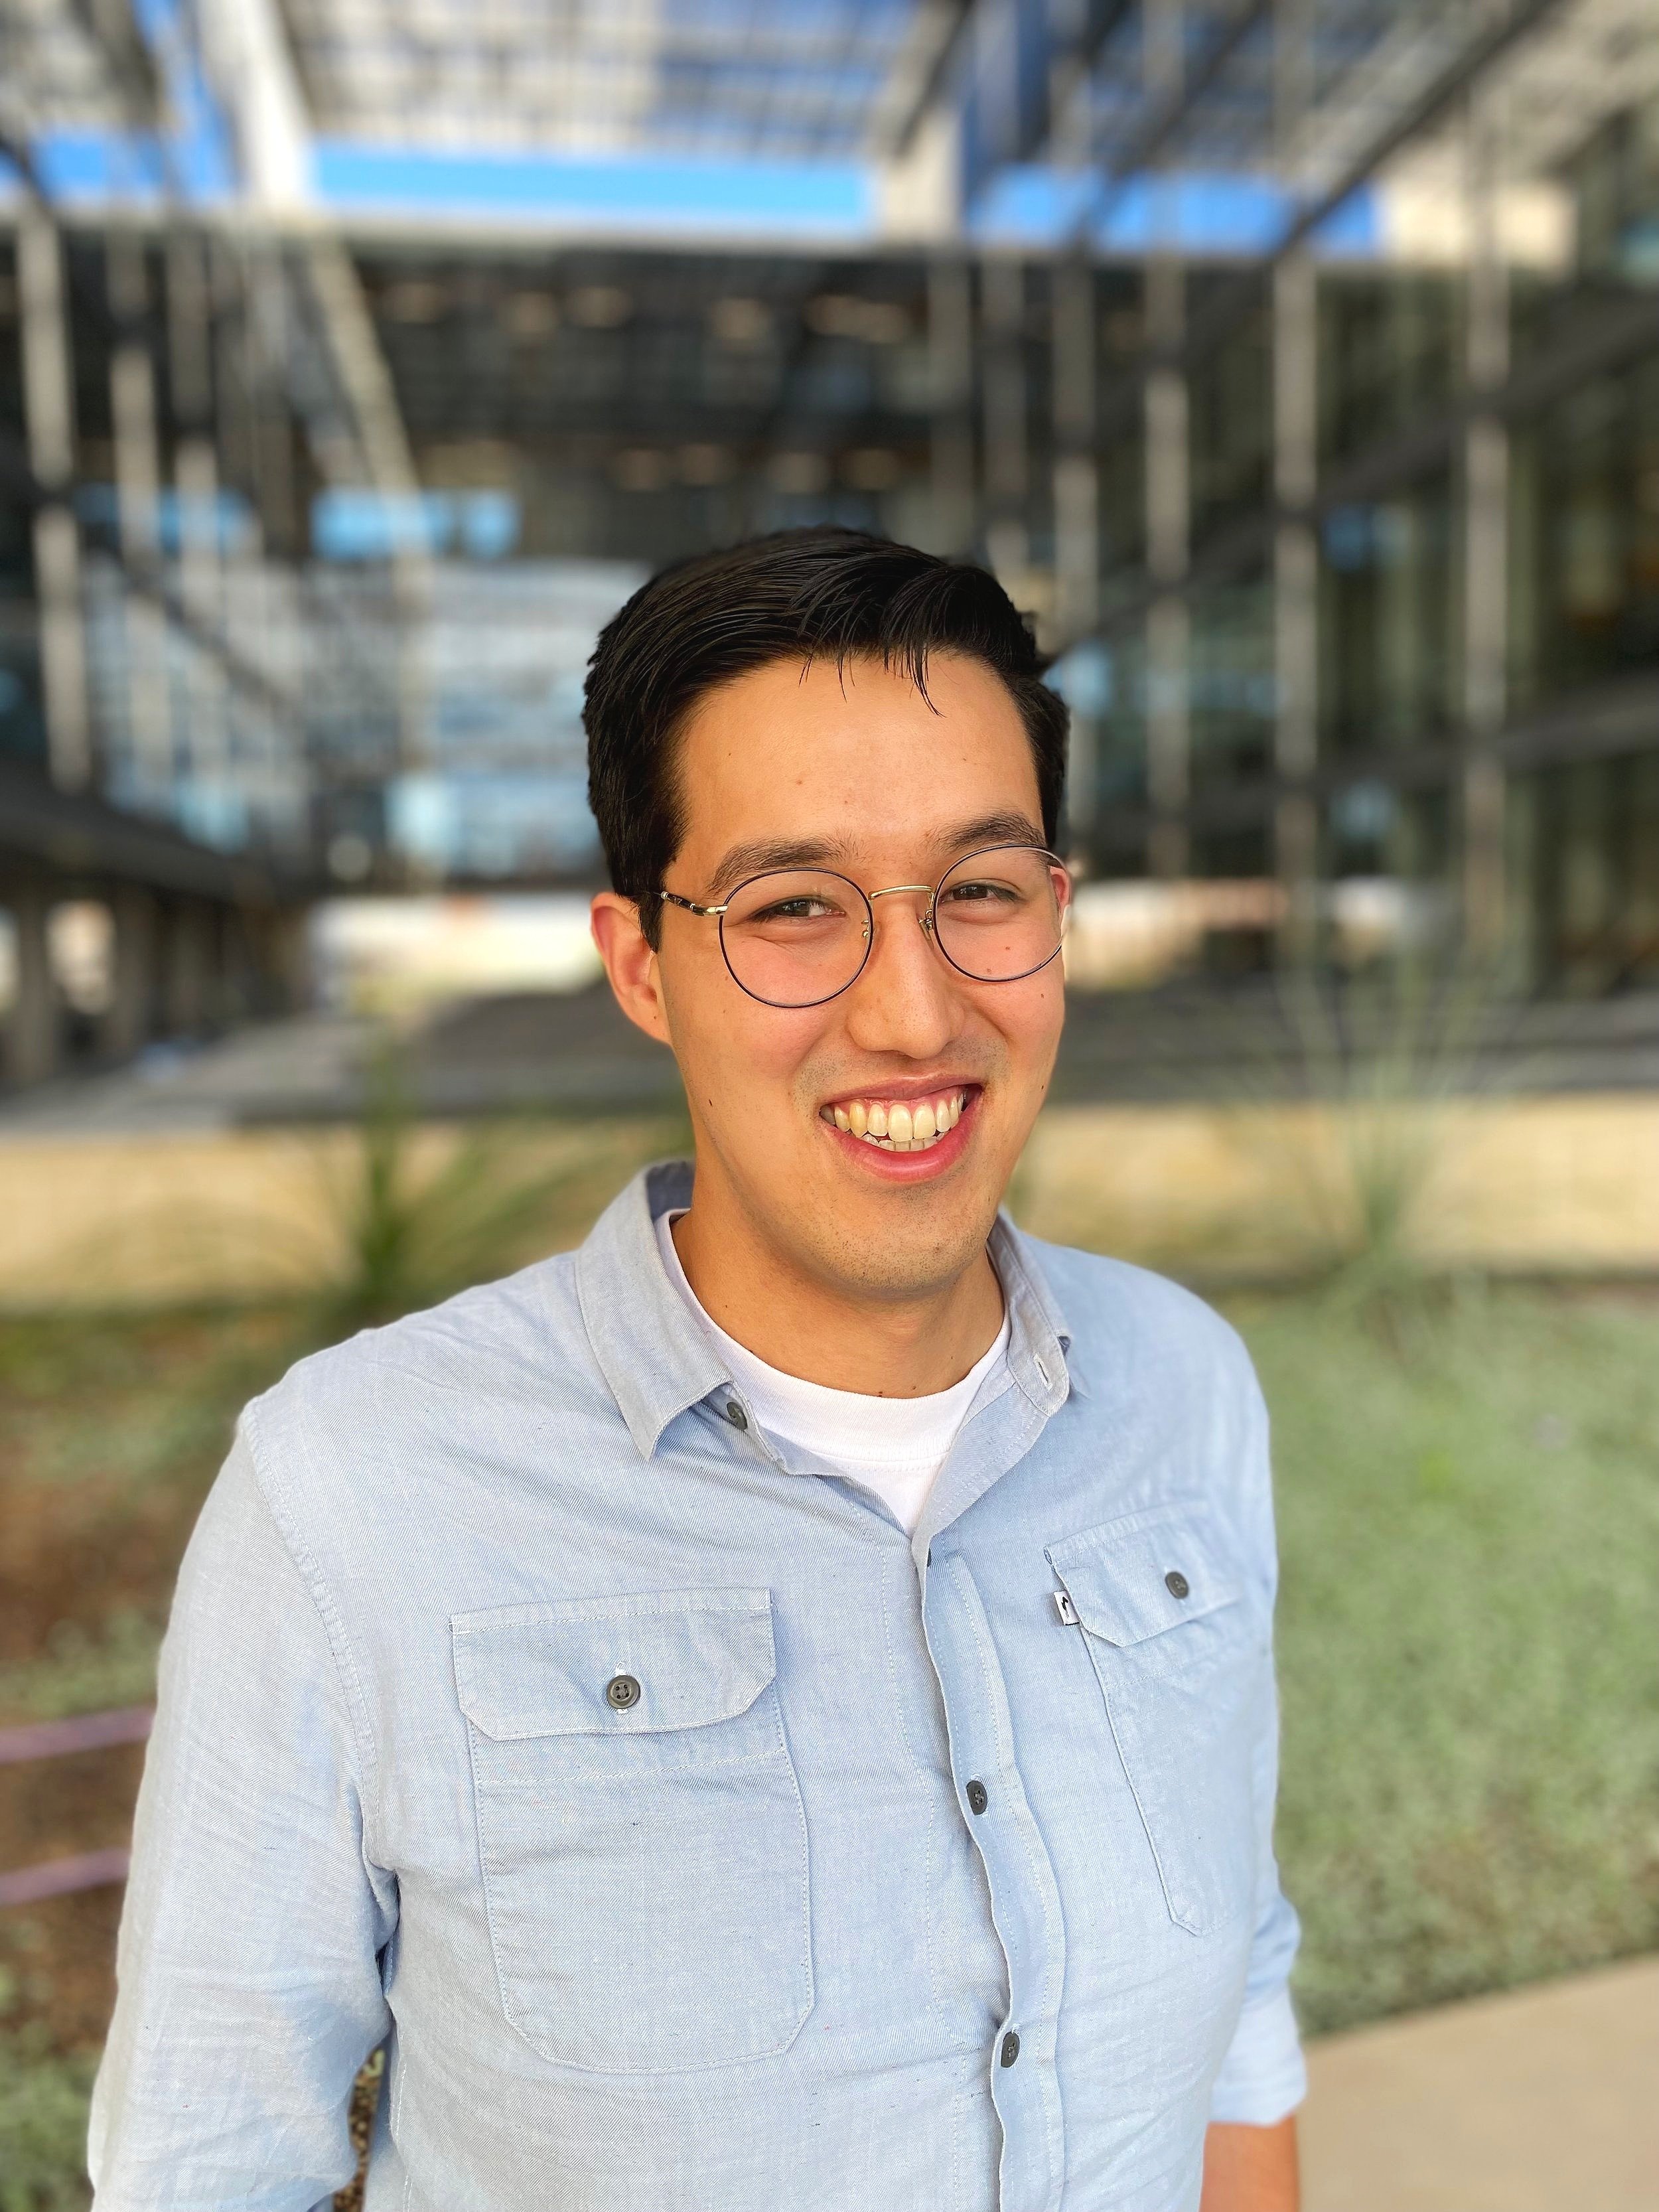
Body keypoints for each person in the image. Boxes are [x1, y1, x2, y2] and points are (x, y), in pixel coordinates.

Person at [92, 529, 1304, 2211]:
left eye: (978, 890)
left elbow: (1238, 2004)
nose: (912, 1012)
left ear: (1056, 917)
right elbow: (208, 2164)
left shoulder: (1185, 1387)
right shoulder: (351, 1490)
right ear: (640, 966)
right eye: (792, 907)